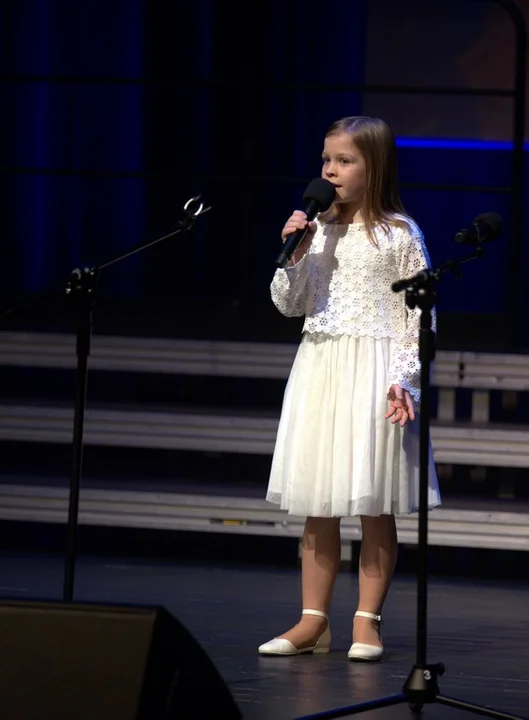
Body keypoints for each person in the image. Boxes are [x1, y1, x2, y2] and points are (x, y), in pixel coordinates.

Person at [258, 116, 440, 661]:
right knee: (319, 500)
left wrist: (405, 378)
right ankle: (313, 621)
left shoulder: (399, 233)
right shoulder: (314, 230)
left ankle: (366, 620)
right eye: (326, 160)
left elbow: (418, 316)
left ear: (374, 167)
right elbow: (288, 304)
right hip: (322, 367)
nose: (330, 171)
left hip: (374, 372)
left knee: (373, 500)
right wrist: (294, 254)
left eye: (344, 161)